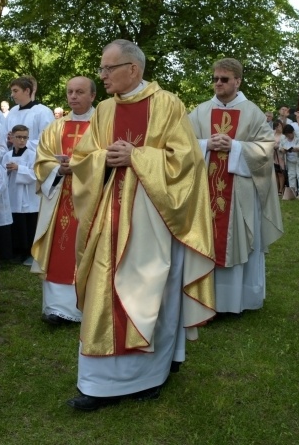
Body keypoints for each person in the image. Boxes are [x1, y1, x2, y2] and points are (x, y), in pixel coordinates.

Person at [67, 39, 215, 411]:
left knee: (150, 290)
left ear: (132, 69)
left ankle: (149, 376)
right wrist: (104, 158)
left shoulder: (167, 104)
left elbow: (187, 161)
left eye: (108, 69)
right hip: (109, 216)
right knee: (106, 286)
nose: (103, 76)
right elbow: (85, 157)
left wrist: (137, 156)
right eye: (101, 69)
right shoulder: (103, 110)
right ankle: (98, 381)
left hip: (152, 216)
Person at [188, 58, 283, 314]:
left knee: (238, 241)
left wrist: (235, 147)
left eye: (224, 79)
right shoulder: (200, 111)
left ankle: (236, 301)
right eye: (215, 78)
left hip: (239, 192)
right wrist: (207, 145)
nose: (218, 83)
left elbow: (266, 148)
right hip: (205, 190)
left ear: (237, 81)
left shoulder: (252, 112)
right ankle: (203, 297)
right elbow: (182, 144)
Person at [32, 76, 96, 325]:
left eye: (80, 92)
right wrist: (58, 170)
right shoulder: (56, 127)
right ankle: (56, 308)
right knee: (59, 249)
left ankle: (87, 307)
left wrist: (79, 165)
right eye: (70, 92)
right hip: (60, 198)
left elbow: (106, 157)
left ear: (92, 96)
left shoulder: (103, 124)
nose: (73, 96)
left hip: (90, 199)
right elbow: (42, 158)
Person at [1, 124, 39, 263]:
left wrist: (19, 168)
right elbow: (0, 174)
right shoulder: (7, 155)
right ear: (12, 137)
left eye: (25, 137)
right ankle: (16, 251)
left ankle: (28, 251)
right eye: (19, 137)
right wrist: (7, 171)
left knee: (27, 225)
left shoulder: (32, 155)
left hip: (27, 196)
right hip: (12, 194)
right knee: (16, 224)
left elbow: (36, 174)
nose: (22, 140)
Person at [6, 76, 54, 154]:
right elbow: (2, 138)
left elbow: (47, 141)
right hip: (11, 158)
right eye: (12, 91)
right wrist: (8, 141)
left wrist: (20, 142)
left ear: (27, 91)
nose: (12, 95)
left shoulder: (43, 111)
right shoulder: (12, 111)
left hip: (33, 160)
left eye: (15, 91)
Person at [279, 124, 299, 199]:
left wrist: (297, 149)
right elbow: (280, 147)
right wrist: (282, 150)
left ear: (292, 132)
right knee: (291, 176)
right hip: (289, 159)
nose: (288, 136)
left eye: (289, 135)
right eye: (286, 135)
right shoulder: (283, 137)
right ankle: (293, 192)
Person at [272, 119, 287, 195]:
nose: (279, 128)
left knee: (281, 172)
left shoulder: (283, 136)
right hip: (273, 155)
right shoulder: (272, 134)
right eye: (277, 126)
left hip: (280, 156)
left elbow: (284, 145)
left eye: (280, 126)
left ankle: (281, 189)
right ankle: (276, 188)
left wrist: (277, 146)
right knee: (275, 173)